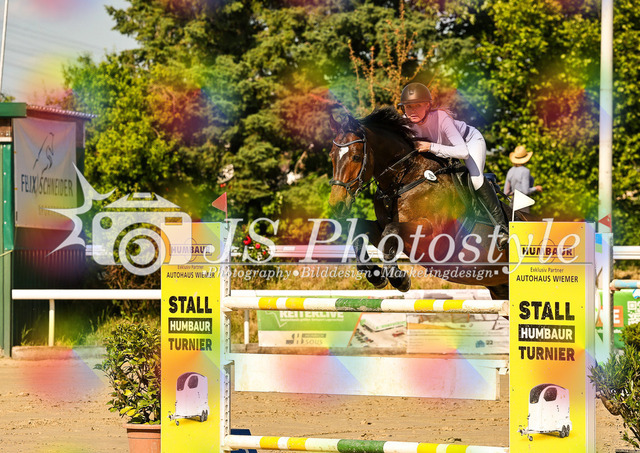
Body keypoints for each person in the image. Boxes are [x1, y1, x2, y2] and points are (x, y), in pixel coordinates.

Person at [396, 82, 508, 246]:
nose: (412, 111)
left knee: (476, 179)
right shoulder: (405, 124)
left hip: (469, 142)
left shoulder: (442, 118)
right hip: (444, 149)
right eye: (408, 107)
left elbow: (462, 152)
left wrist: (430, 147)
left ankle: (502, 228)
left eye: (417, 105)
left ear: (427, 105)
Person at [503, 145, 542, 213]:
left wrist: (515, 192)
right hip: (522, 203)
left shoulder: (510, 171)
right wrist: (536, 188)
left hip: (512, 202)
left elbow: (506, 192)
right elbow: (525, 191)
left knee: (512, 219)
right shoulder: (525, 171)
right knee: (524, 219)